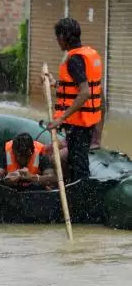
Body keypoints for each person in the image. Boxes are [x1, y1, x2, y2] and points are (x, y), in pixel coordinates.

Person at [46, 17, 104, 181]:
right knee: (76, 161)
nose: (57, 41)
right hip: (85, 123)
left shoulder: (74, 60)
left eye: (58, 37)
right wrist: (55, 83)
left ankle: (81, 201)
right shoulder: (86, 54)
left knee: (78, 166)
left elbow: (84, 93)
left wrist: (61, 118)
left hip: (79, 125)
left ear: (64, 37)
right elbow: (75, 87)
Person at [0, 132, 64, 189]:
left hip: (34, 193)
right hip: (12, 192)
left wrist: (31, 177)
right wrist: (5, 180)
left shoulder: (40, 156)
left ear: (32, 152)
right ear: (13, 151)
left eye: (25, 156)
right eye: (18, 156)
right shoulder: (6, 155)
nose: (20, 160)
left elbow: (54, 179)